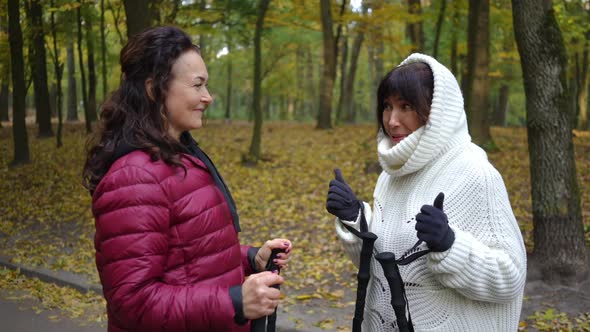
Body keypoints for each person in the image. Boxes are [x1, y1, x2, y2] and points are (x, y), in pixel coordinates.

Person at [83, 26, 292, 332]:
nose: (207, 97)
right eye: (197, 85)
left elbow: (188, 253)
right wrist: (234, 302)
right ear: (154, 90)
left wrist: (251, 259)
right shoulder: (134, 178)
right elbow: (132, 302)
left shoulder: (177, 157)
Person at [326, 53, 526, 331]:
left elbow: (510, 278)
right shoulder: (391, 174)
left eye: (406, 106)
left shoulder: (475, 173)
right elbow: (386, 263)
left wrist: (450, 244)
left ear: (438, 110)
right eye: (387, 106)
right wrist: (355, 218)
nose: (392, 120)